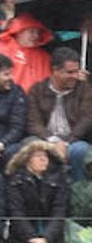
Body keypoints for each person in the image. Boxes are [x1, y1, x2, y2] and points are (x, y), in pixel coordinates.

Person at [26, 48, 92, 180]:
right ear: (55, 70)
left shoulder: (85, 89)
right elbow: (33, 122)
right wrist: (54, 141)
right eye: (70, 72)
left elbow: (87, 119)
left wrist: (66, 143)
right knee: (30, 146)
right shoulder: (37, 90)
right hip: (44, 138)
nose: (75, 76)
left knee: (80, 151)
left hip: (74, 140)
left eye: (77, 71)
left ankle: (77, 192)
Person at [6, 139, 69, 243]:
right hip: (22, 241)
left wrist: (46, 239)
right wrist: (33, 240)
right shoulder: (15, 181)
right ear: (26, 158)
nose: (43, 159)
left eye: (45, 156)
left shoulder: (59, 180)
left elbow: (59, 213)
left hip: (51, 241)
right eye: (38, 156)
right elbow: (17, 214)